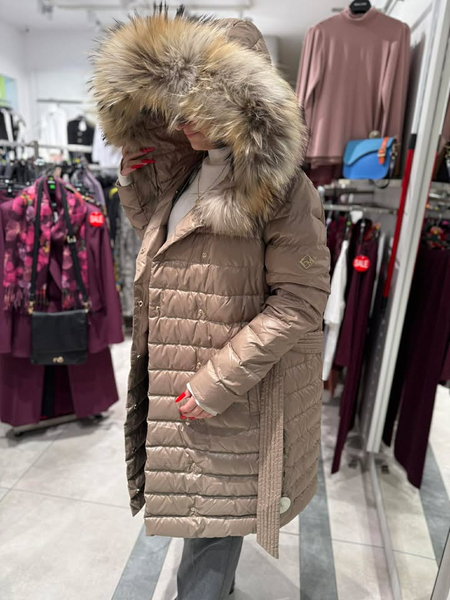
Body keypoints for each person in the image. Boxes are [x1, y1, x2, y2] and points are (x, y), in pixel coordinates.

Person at [92, 10, 330, 600]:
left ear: (240, 105)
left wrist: (215, 383)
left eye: (197, 103)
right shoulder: (188, 169)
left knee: (213, 524)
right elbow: (169, 249)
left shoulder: (287, 192)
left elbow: (300, 303)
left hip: (227, 392)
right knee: (200, 515)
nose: (180, 118)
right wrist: (135, 182)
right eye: (177, 101)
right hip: (178, 373)